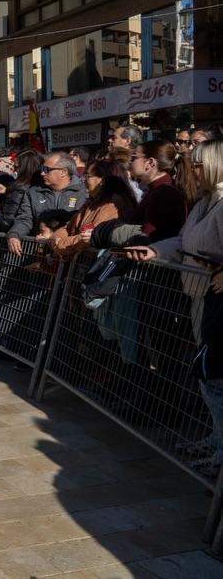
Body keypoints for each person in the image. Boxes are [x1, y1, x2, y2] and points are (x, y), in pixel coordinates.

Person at [125, 139, 223, 478]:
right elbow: (183, 240)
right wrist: (155, 251)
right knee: (209, 376)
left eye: (198, 162)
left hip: (217, 303)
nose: (192, 169)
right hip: (199, 297)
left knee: (214, 376)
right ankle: (216, 439)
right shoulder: (202, 202)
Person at [49, 159, 137, 257]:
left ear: (102, 179)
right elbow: (69, 227)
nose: (83, 179)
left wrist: (61, 244)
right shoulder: (91, 202)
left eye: (87, 176)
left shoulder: (114, 203)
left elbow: (91, 237)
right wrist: (56, 238)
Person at [6, 152, 87, 255]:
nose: (42, 173)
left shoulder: (84, 193)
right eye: (42, 169)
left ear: (63, 172)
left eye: (47, 170)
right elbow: (25, 219)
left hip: (72, 255)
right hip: (41, 255)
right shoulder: (33, 192)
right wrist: (15, 234)